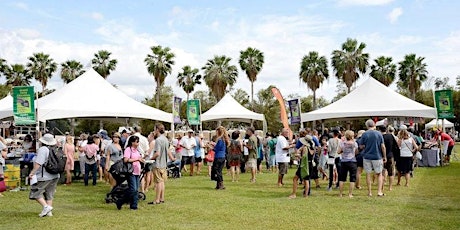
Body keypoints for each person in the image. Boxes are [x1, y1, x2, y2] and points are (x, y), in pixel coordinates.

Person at [28, 134, 59, 217]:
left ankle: (46, 207)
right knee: (49, 193)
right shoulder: (55, 149)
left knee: (35, 192)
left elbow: (39, 163)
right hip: (55, 175)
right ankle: (49, 213)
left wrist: (32, 173)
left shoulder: (43, 149)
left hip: (44, 175)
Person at [358, 119, 387, 197]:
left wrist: (365, 146)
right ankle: (379, 191)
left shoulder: (364, 134)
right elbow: (382, 146)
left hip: (367, 156)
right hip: (377, 156)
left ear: (367, 125)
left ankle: (369, 192)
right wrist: (384, 156)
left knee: (368, 174)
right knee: (379, 174)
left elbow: (361, 146)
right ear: (374, 125)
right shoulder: (379, 134)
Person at [148, 124, 175, 205]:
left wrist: (151, 158)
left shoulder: (158, 140)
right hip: (164, 163)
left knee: (158, 182)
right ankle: (162, 198)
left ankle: (157, 200)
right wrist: (172, 158)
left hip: (158, 164)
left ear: (157, 130)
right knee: (162, 182)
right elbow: (168, 151)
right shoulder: (166, 139)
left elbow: (157, 153)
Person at [116, 136, 145, 210]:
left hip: (137, 171)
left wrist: (141, 161)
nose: (137, 143)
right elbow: (126, 159)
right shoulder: (128, 150)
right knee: (133, 189)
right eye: (136, 142)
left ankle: (134, 205)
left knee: (136, 189)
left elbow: (139, 158)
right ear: (132, 142)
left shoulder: (137, 150)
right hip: (131, 171)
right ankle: (121, 201)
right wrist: (136, 159)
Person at [289, 134, 313, 199]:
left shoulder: (305, 148)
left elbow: (304, 157)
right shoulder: (312, 147)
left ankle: (294, 194)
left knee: (295, 178)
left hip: (304, 165)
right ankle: (306, 195)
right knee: (306, 179)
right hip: (310, 165)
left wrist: (298, 156)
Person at [337, 130, 358, 198]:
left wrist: (343, 151)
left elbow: (338, 152)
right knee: (352, 178)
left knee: (342, 178)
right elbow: (356, 152)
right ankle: (350, 194)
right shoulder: (354, 143)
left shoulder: (342, 143)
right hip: (352, 161)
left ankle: (340, 194)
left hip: (344, 161)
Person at [380, 126, 398, 191]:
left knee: (382, 172)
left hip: (381, 156)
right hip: (390, 156)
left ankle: (382, 186)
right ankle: (390, 187)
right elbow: (396, 147)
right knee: (391, 173)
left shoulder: (380, 137)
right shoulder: (391, 136)